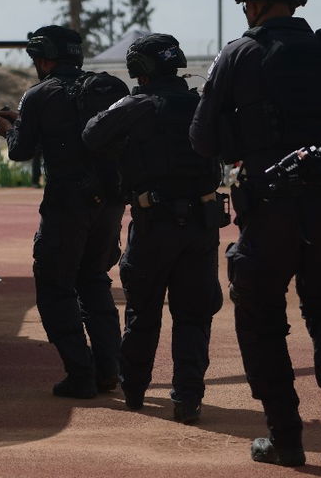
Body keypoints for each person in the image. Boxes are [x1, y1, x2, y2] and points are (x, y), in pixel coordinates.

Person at [190, 0, 321, 468]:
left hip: (268, 210)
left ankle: (286, 438)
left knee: (261, 320)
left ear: (254, 1)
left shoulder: (240, 54)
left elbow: (202, 139)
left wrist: (245, 143)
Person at [82, 33, 225, 423]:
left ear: (139, 70)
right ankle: (187, 397)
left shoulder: (138, 105)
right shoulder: (200, 104)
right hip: (202, 224)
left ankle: (135, 390)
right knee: (194, 315)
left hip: (154, 224)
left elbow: (93, 134)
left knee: (143, 312)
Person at [0, 25, 130, 398]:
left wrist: (10, 128)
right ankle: (108, 371)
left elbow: (21, 150)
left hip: (68, 205)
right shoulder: (106, 89)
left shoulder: (39, 94)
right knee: (95, 280)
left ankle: (80, 374)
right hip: (110, 203)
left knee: (55, 287)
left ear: (45, 58)